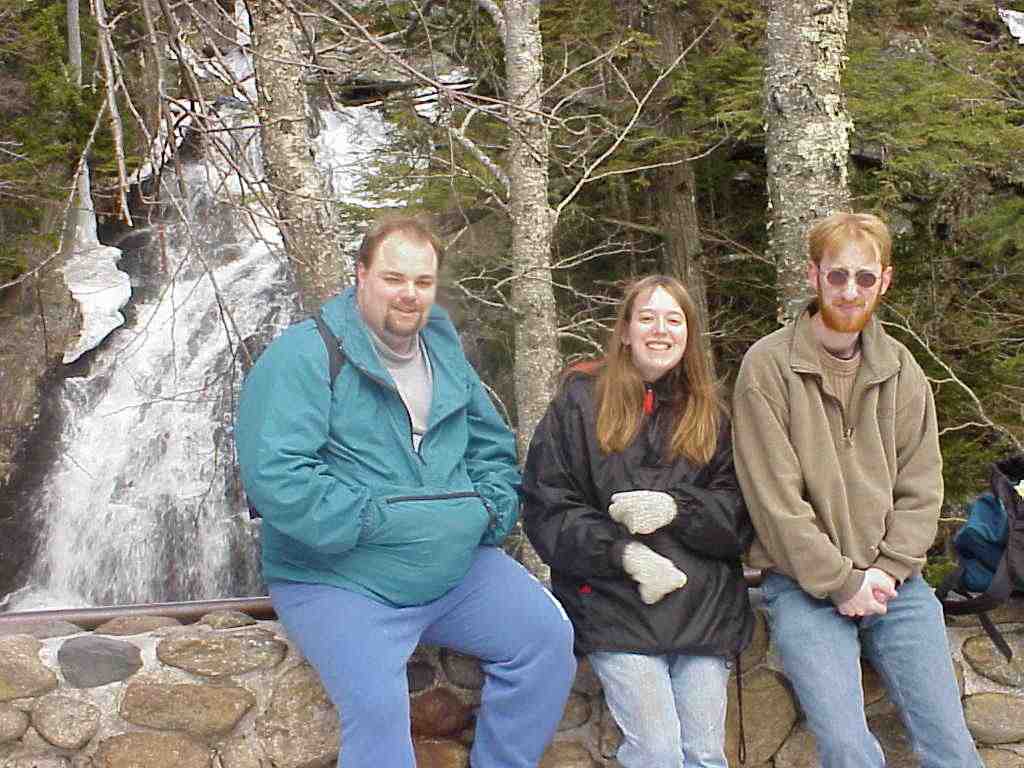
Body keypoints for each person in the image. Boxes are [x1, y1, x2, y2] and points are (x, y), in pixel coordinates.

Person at [235, 214, 576, 768]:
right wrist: (374, 522)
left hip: (453, 571)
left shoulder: (445, 354)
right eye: (394, 278)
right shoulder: (303, 355)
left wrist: (486, 512)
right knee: (376, 712)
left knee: (546, 643)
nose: (409, 294)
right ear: (361, 274)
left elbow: (491, 448)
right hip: (340, 579)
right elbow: (277, 474)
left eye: (422, 281)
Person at [732, 212, 981, 768]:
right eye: (837, 275)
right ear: (813, 275)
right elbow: (775, 503)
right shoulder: (767, 367)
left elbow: (922, 485)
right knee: (847, 748)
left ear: (884, 281)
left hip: (896, 585)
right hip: (803, 585)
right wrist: (842, 582)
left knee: (952, 745)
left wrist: (888, 571)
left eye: (864, 277)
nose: (850, 291)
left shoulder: (901, 368)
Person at [521, 275, 754, 768]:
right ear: (625, 331)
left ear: (689, 334)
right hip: (614, 604)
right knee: (656, 752)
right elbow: (548, 506)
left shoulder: (711, 414)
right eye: (647, 318)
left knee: (704, 754)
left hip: (702, 609)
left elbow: (739, 515)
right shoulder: (579, 404)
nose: (660, 330)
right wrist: (622, 552)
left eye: (674, 320)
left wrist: (677, 508)